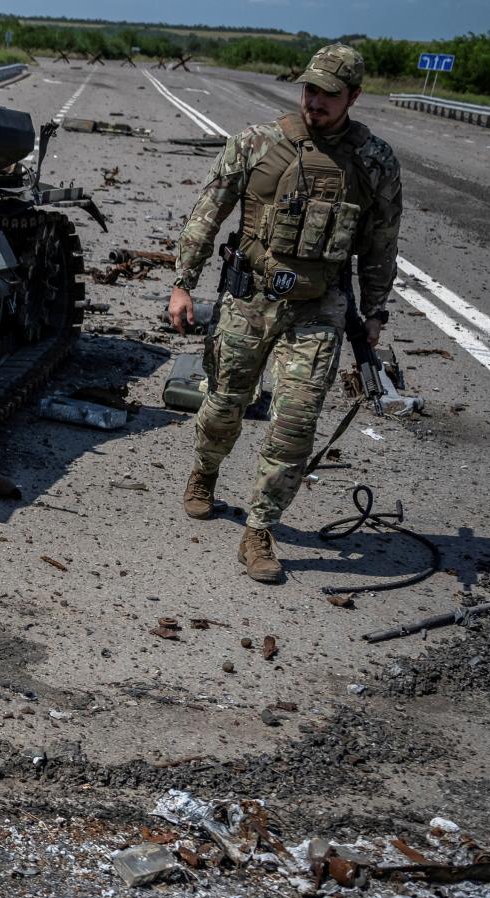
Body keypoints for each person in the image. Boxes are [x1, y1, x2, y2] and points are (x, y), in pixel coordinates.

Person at [167, 43, 402, 583]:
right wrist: (183, 283)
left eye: (328, 93)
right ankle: (204, 472)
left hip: (318, 308)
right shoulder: (256, 142)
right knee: (226, 404)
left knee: (295, 424)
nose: (315, 101)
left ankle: (259, 529)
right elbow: (209, 210)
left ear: (354, 97)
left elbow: (381, 242)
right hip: (249, 300)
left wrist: (375, 311)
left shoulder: (373, 161)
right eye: (309, 89)